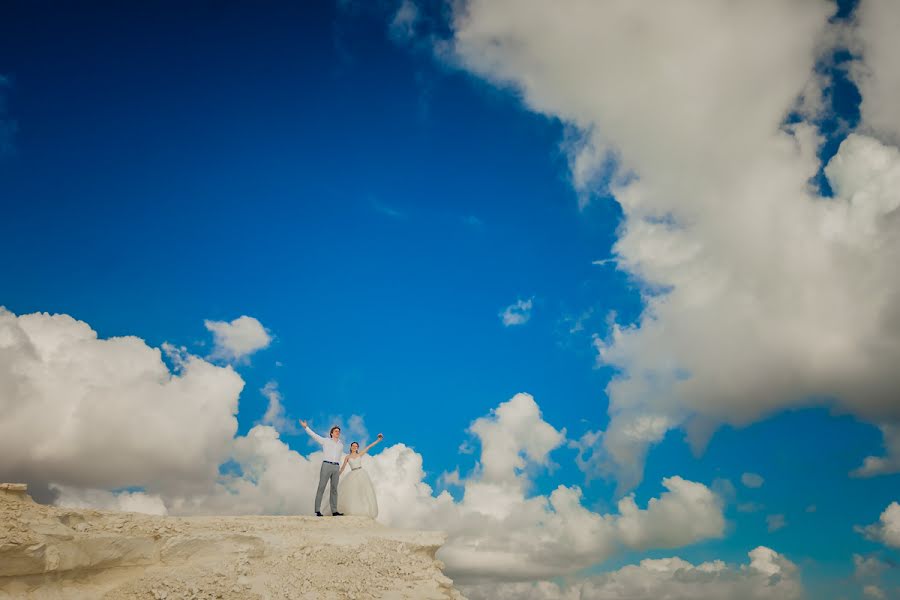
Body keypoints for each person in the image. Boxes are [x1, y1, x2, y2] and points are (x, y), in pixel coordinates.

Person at [300, 420, 344, 517]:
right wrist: (306, 427)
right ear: (331, 433)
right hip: (326, 465)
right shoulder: (325, 440)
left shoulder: (341, 444)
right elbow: (314, 435)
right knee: (321, 487)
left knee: (334, 489)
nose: (338, 432)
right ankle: (317, 510)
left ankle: (334, 511)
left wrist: (339, 467)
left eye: (339, 431)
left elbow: (339, 456)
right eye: (336, 431)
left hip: (336, 466)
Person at [337, 433, 384, 518]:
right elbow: (343, 468)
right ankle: (352, 510)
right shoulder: (347, 457)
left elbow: (369, 447)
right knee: (352, 493)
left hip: (361, 473)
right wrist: (337, 474)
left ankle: (363, 511)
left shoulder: (359, 454)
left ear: (357, 448)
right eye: (353, 446)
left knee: (363, 493)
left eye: (356, 446)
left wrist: (378, 440)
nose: (354, 447)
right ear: (350, 447)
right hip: (352, 475)